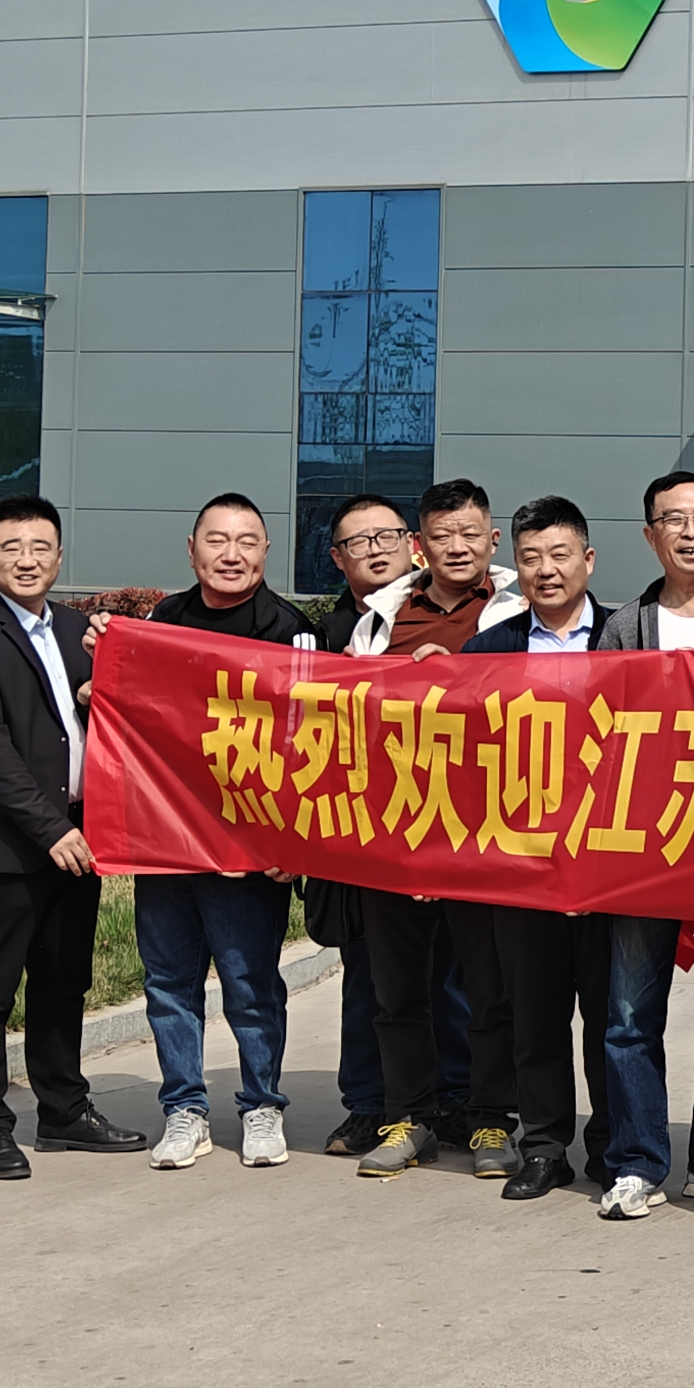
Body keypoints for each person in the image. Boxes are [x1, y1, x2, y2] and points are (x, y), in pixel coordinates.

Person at [0, 496, 145, 1177]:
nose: (27, 560)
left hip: (80, 836)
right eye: (11, 548)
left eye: (40, 547)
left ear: (59, 556)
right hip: (7, 842)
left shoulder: (78, 629)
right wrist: (50, 828)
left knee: (63, 982)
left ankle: (63, 1110)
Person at [454, 496, 639, 1202]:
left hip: (607, 863)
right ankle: (544, 1146)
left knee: (611, 1018)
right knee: (534, 1016)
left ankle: (612, 1143)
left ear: (588, 560)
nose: (546, 570)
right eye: (530, 558)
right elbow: (459, 759)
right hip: (522, 865)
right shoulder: (490, 649)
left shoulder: (626, 642)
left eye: (560, 555)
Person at [350, 479, 525, 1180]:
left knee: (489, 988)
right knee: (396, 989)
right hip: (396, 827)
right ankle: (409, 1117)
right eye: (443, 535)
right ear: (420, 545)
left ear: (492, 539)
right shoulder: (383, 616)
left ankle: (491, 1118)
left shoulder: (518, 609)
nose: (458, 547)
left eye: (470, 533)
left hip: (487, 829)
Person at [139, 494, 314, 1171]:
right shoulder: (163, 622)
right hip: (169, 838)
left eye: (246, 541)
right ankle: (184, 1109)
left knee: (251, 985)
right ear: (192, 550)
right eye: (217, 540)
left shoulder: (291, 631)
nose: (231, 554)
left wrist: (291, 843)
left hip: (250, 850)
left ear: (266, 551)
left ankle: (262, 1104)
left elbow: (311, 744)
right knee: (168, 982)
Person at [307, 492, 464, 1158]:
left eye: (386, 536)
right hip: (364, 831)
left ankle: (455, 1102)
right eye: (357, 541)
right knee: (369, 977)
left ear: (413, 544)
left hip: (452, 824)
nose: (374, 549)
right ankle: (369, 1105)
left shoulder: (473, 608)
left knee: (454, 976)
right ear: (336, 557)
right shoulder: (325, 632)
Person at [596, 470, 694, 1222]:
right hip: (644, 842)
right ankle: (638, 1160)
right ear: (650, 535)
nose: (689, 531)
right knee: (628, 1013)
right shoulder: (625, 625)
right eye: (673, 520)